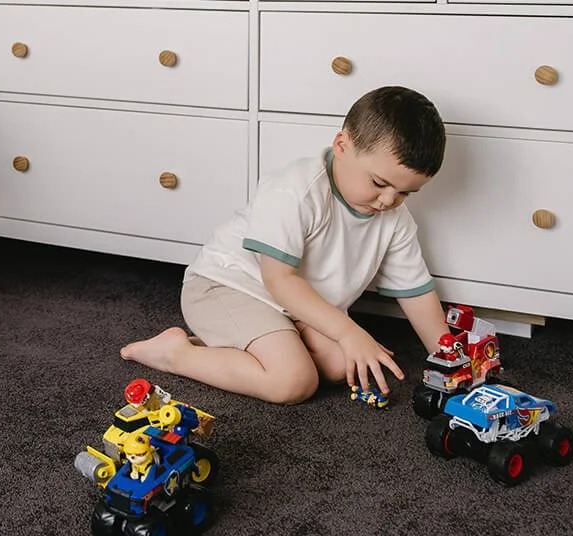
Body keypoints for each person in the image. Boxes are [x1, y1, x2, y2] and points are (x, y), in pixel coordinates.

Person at [120, 86, 454, 406]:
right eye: (379, 183)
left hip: (293, 306)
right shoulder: (295, 191)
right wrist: (348, 331)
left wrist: (451, 361)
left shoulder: (394, 218)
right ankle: (176, 354)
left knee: (342, 365)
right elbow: (279, 279)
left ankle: (262, 344)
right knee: (294, 381)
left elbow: (416, 293)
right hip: (228, 287)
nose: (388, 200)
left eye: (405, 193)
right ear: (342, 145)